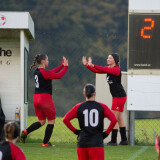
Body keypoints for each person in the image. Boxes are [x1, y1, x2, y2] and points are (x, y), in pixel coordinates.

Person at [21, 54, 68, 147]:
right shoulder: (44, 72)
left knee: (42, 121)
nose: (48, 61)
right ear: (43, 61)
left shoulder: (37, 71)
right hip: (45, 99)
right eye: (47, 60)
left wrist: (62, 65)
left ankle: (26, 132)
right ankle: (45, 143)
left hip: (36, 98)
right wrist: (66, 67)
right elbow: (58, 76)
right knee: (51, 121)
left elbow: (51, 72)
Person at [82, 53, 128, 145]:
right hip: (118, 96)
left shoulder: (116, 69)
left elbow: (102, 69)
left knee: (114, 118)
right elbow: (98, 71)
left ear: (115, 60)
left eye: (110, 58)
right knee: (119, 118)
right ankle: (124, 140)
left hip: (119, 97)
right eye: (107, 58)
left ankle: (114, 141)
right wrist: (87, 65)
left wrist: (93, 64)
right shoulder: (109, 69)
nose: (108, 59)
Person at [63, 84, 117, 160]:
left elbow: (65, 119)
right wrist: (106, 133)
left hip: (82, 143)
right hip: (96, 142)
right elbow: (114, 120)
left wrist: (75, 131)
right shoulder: (102, 106)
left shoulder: (78, 107)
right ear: (95, 94)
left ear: (84, 94)